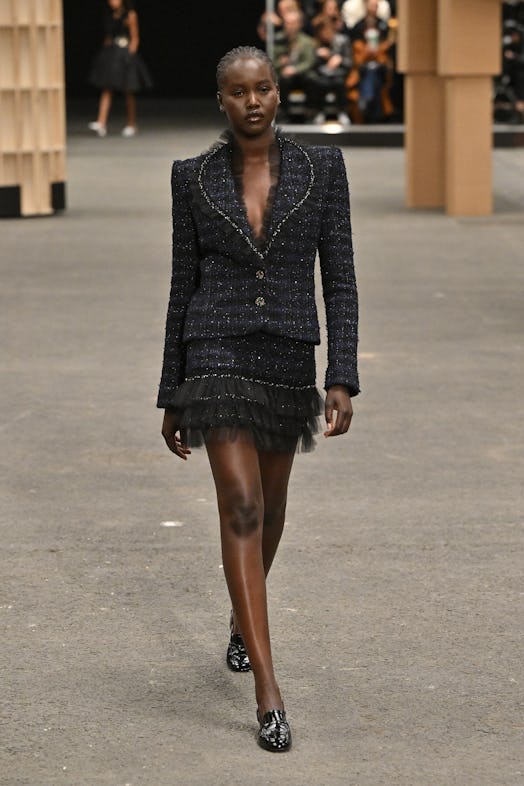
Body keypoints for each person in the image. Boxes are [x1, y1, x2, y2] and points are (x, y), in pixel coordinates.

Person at [158, 46, 359, 752]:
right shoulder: (192, 179)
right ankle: (267, 688)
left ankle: (242, 624)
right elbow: (183, 286)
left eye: (264, 88)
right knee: (241, 504)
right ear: (221, 100)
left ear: (279, 93)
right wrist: (171, 392)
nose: (252, 101)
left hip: (286, 354)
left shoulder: (322, 169)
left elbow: (339, 276)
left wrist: (342, 373)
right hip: (214, 348)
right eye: (238, 91)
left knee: (270, 509)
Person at [88, 0, 152, 138]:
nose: (112, 2)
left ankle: (131, 123)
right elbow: (109, 35)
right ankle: (101, 122)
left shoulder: (130, 15)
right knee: (107, 87)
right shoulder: (111, 15)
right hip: (112, 53)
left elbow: (135, 38)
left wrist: (130, 56)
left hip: (125, 54)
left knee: (128, 90)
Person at [273, 9, 317, 120]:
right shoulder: (277, 39)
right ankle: (283, 112)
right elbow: (271, 60)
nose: (290, 26)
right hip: (283, 74)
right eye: (287, 23)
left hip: (301, 73)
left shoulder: (306, 41)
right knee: (281, 81)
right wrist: (280, 63)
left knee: (312, 79)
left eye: (293, 23)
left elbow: (310, 61)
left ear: (299, 24)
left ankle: (310, 112)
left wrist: (295, 69)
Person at [310, 16, 353, 124]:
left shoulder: (343, 40)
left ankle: (343, 112)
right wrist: (320, 57)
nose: (324, 34)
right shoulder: (316, 43)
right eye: (321, 32)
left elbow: (349, 63)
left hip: (340, 73)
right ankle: (319, 112)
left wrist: (338, 59)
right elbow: (312, 65)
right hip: (322, 74)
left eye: (326, 31)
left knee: (339, 83)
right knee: (318, 83)